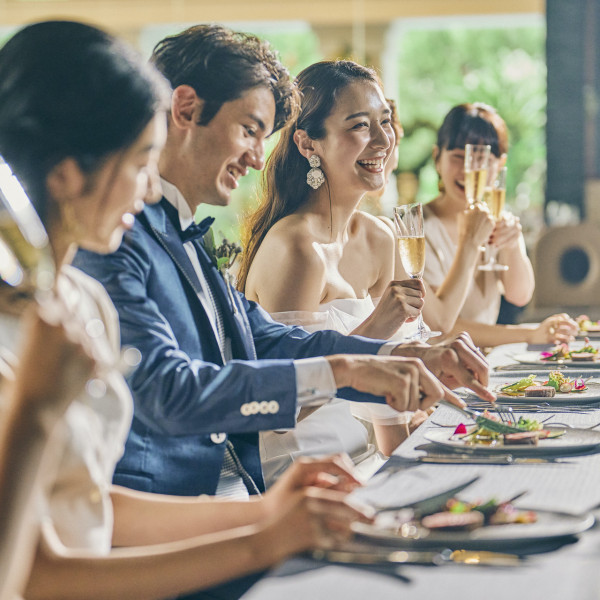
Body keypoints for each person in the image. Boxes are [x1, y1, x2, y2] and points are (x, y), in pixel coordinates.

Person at [0, 20, 373, 600]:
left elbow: (94, 506)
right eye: (140, 161)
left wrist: (274, 512)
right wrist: (263, 539)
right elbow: (35, 571)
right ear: (67, 176)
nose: (151, 187)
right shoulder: (45, 312)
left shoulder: (83, 301)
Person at [74, 24, 492, 503]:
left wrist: (397, 356)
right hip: (178, 519)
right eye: (250, 130)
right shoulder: (114, 235)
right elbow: (170, 392)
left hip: (244, 496)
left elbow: (266, 338)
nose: (256, 159)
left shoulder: (179, 229)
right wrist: (345, 373)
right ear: (185, 109)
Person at [237, 62, 427, 480]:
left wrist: (409, 460)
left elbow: (386, 405)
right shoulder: (296, 249)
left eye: (386, 121)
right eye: (359, 126)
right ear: (308, 144)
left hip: (367, 460)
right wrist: (376, 328)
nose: (382, 140)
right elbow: (284, 410)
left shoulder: (380, 237)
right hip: (303, 472)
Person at [416, 102, 577, 347]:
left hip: (484, 359)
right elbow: (439, 327)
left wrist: (511, 246)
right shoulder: (418, 230)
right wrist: (528, 334)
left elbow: (520, 295)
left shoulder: (498, 218)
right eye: (459, 157)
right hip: (436, 366)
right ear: (437, 158)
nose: (469, 170)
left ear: (500, 164)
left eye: (483, 158)